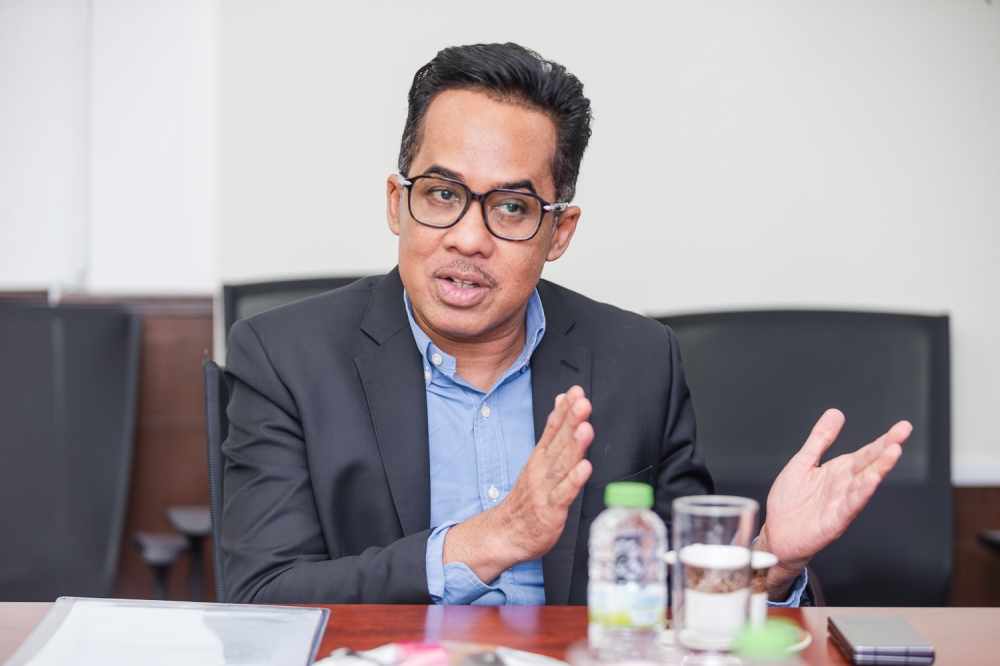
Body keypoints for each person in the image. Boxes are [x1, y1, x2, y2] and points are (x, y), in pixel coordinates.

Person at [221, 43, 911, 606]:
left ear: (560, 232)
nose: (468, 238)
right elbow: (262, 595)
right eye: (442, 194)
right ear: (397, 204)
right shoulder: (286, 357)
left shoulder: (638, 360)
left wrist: (771, 561)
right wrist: (488, 540)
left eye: (512, 208)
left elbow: (679, 602)